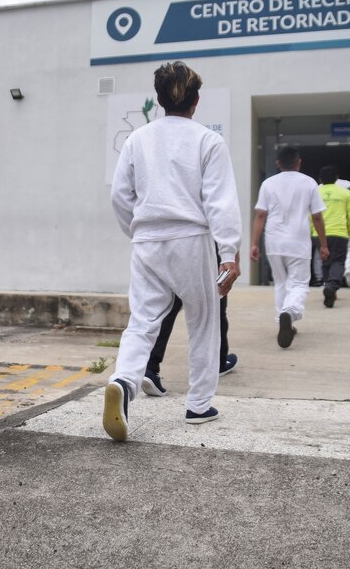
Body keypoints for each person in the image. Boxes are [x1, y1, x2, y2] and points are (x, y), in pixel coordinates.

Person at [105, 61, 241, 441]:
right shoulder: (207, 140)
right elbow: (220, 200)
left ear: (160, 100)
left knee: (142, 321)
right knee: (203, 320)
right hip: (191, 240)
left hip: (147, 240)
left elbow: (119, 195)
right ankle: (199, 404)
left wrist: (135, 229)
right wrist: (228, 251)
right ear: (196, 101)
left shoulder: (137, 139)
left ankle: (124, 381)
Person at [250, 147, 328, 349]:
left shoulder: (268, 183)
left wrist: (254, 243)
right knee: (299, 283)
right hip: (299, 241)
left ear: (278, 163)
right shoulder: (309, 183)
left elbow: (260, 215)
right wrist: (324, 244)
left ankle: (282, 321)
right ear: (299, 162)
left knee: (281, 283)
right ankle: (290, 313)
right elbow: (317, 217)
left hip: (274, 240)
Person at [141, 249, 239, 398]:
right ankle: (217, 365)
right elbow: (226, 226)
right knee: (213, 307)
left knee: (169, 307)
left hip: (172, 247)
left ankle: (150, 367)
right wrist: (232, 256)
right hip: (204, 246)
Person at [316, 166, 350, 308]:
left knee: (325, 261)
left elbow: (310, 215)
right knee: (338, 262)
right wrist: (349, 231)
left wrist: (312, 232)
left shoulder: (315, 192)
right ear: (336, 179)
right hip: (339, 232)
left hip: (318, 233)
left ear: (320, 179)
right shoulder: (345, 193)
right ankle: (332, 286)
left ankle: (328, 287)